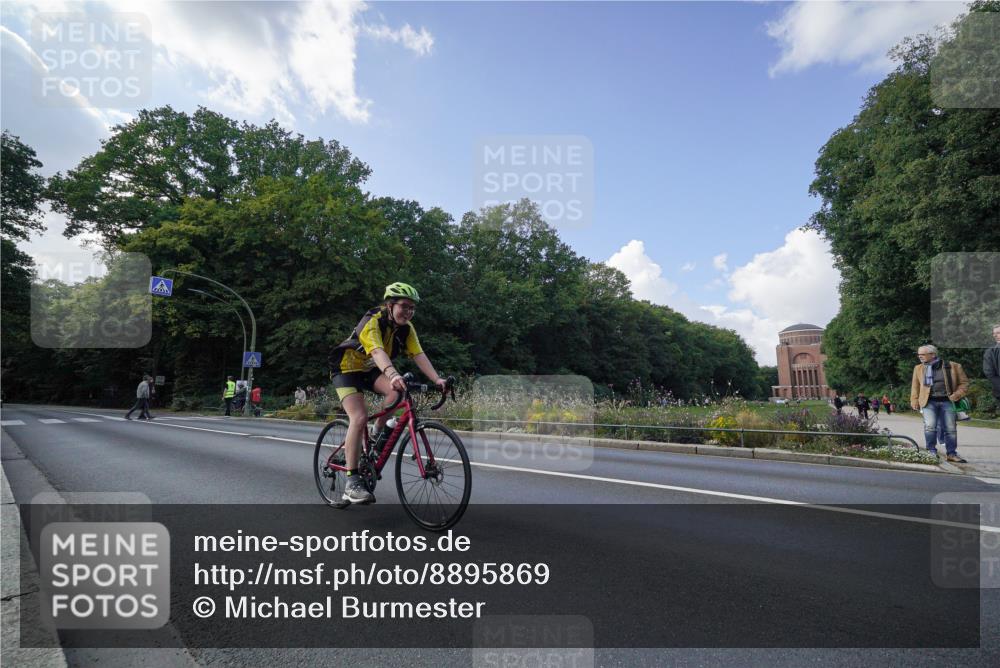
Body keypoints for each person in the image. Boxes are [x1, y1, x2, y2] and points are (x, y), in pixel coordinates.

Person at [328, 282, 447, 504]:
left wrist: (437, 379)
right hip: (346, 369)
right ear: (390, 305)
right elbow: (377, 350)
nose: (409, 312)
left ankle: (375, 433)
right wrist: (393, 374)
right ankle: (352, 483)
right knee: (359, 417)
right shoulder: (372, 321)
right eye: (404, 306)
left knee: (397, 393)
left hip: (371, 368)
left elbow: (419, 355)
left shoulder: (406, 328)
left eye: (412, 308)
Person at [910, 344, 969, 462]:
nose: (919, 356)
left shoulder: (953, 366)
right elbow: (915, 386)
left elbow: (964, 383)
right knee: (930, 427)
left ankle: (951, 454)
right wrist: (914, 400)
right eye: (918, 354)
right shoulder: (919, 368)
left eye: (922, 354)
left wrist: (957, 394)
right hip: (928, 402)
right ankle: (931, 451)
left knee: (950, 428)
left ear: (933, 354)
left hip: (948, 401)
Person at [984, 323, 1000, 415]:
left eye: (998, 333)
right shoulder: (990, 352)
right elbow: (989, 373)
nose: (995, 335)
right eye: (994, 333)